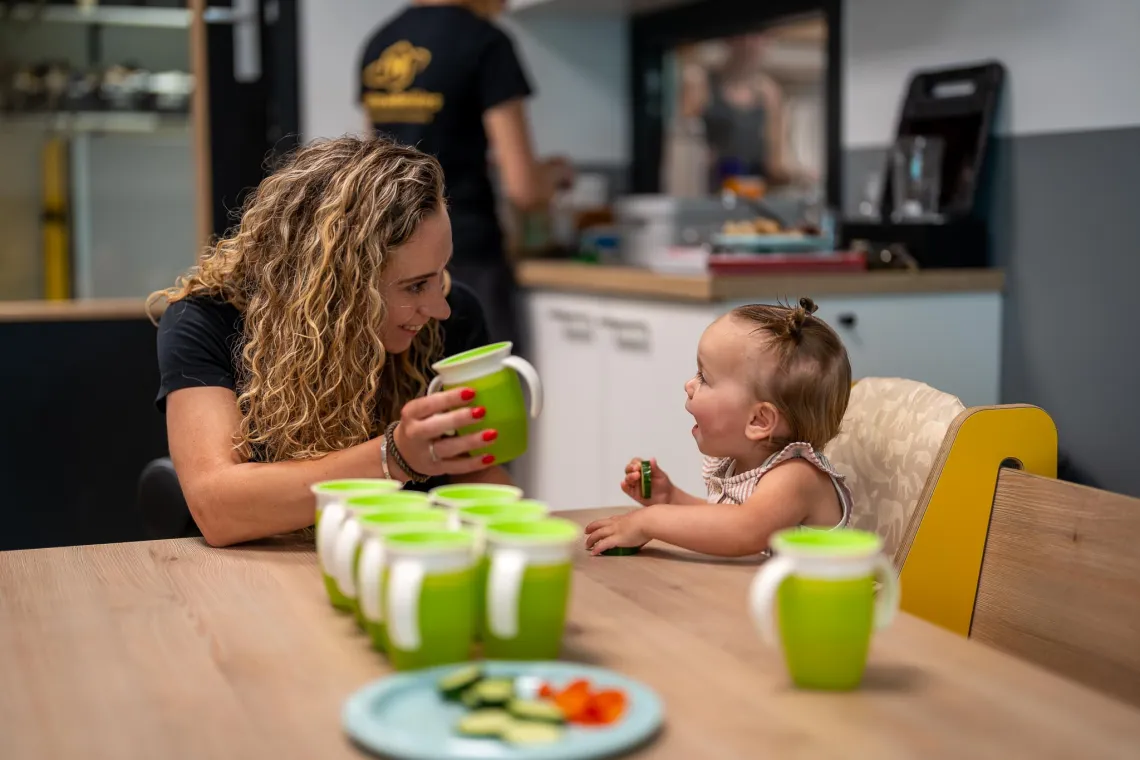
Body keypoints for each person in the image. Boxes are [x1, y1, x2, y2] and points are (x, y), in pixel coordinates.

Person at [150, 137, 514, 548]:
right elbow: (217, 507)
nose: (440, 308)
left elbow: (478, 477)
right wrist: (396, 456)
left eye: (439, 274)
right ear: (340, 285)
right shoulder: (206, 320)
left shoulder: (456, 313)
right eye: (415, 286)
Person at [358, 0, 573, 354]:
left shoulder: (379, 45)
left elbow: (369, 167)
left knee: (407, 395)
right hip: (466, 258)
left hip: (388, 259)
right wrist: (555, 175)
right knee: (486, 397)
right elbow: (524, 189)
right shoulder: (486, 42)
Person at [584, 298, 853, 557]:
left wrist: (649, 520)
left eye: (705, 378)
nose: (689, 385)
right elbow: (721, 522)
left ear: (759, 421)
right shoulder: (745, 467)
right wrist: (670, 497)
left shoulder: (796, 477)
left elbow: (744, 530)